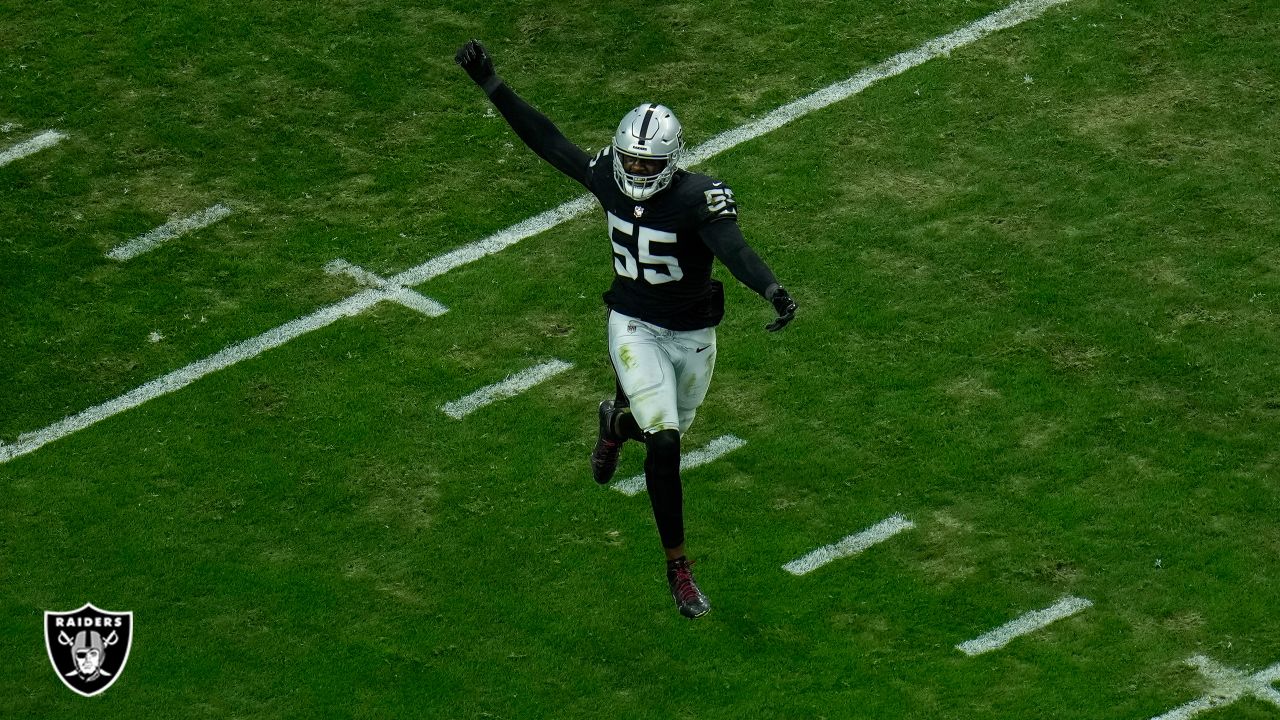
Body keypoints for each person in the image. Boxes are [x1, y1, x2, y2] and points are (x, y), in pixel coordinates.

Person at [456, 40, 796, 619]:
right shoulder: (608, 179)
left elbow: (732, 247)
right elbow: (548, 140)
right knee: (665, 443)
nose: (636, 172)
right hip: (633, 324)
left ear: (673, 161)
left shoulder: (696, 198)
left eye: (647, 165)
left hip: (691, 334)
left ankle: (614, 423)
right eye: (630, 162)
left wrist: (770, 288)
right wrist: (491, 84)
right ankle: (678, 567)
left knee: (657, 426)